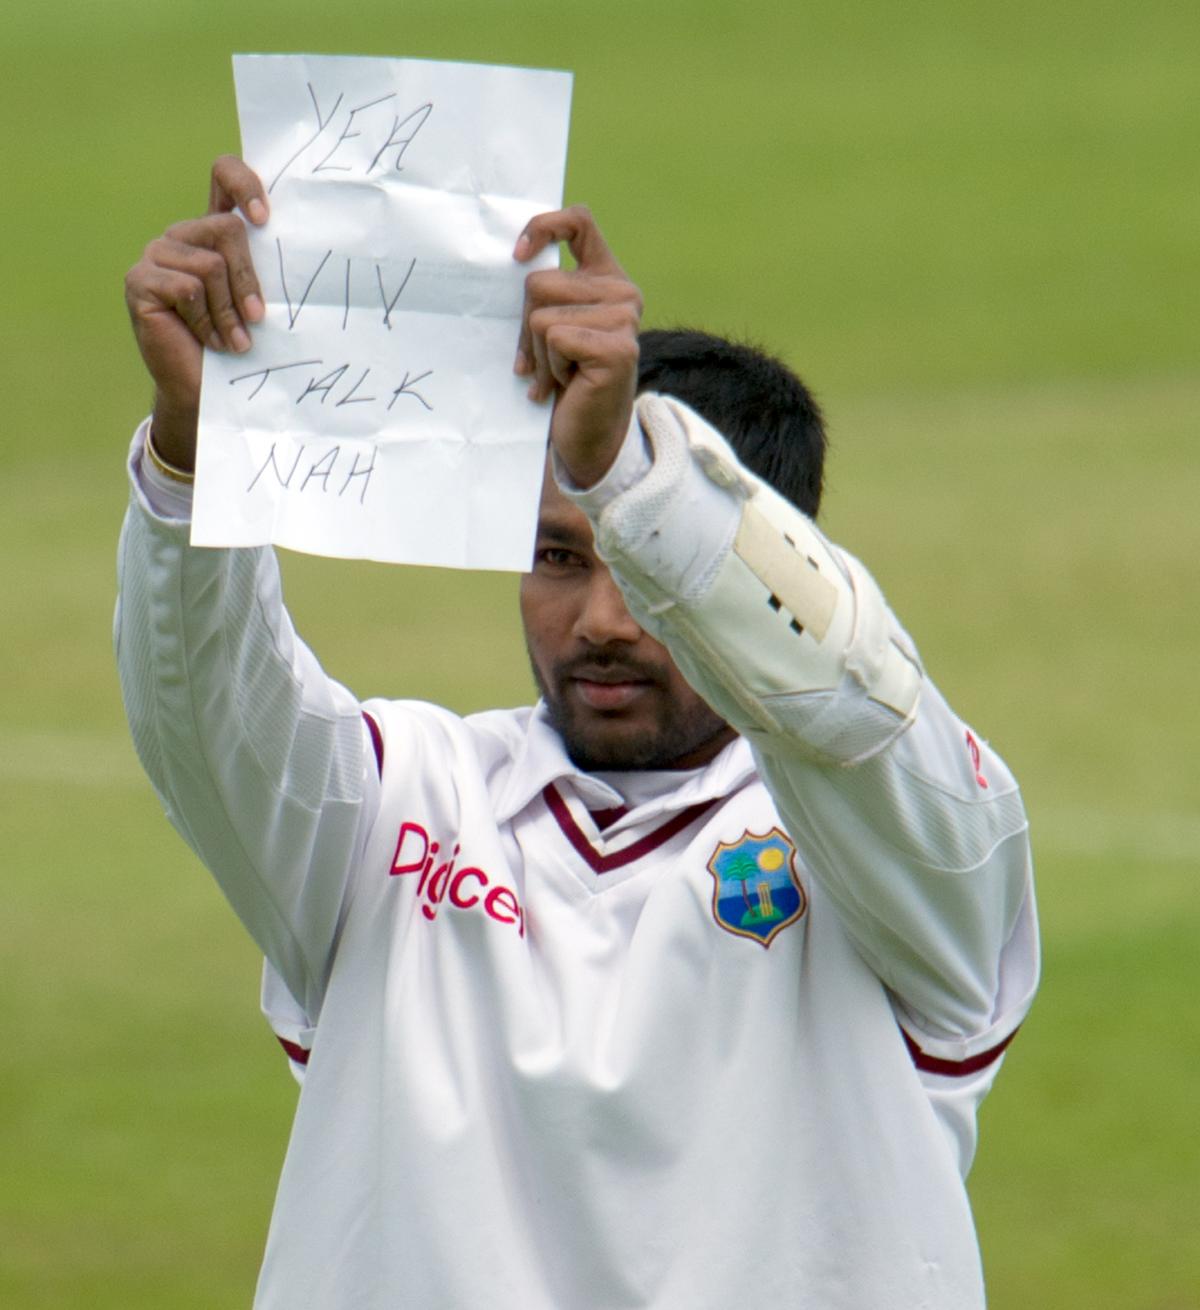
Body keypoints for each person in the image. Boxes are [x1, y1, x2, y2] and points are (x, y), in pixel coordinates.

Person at [117, 156, 1038, 1309]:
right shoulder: (408, 803)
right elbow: (202, 710)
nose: (605, 622)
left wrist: (630, 480)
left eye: (648, 569)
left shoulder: (899, 853)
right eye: (558, 557)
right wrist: (201, 443)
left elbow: (854, 706)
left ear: (747, 553)